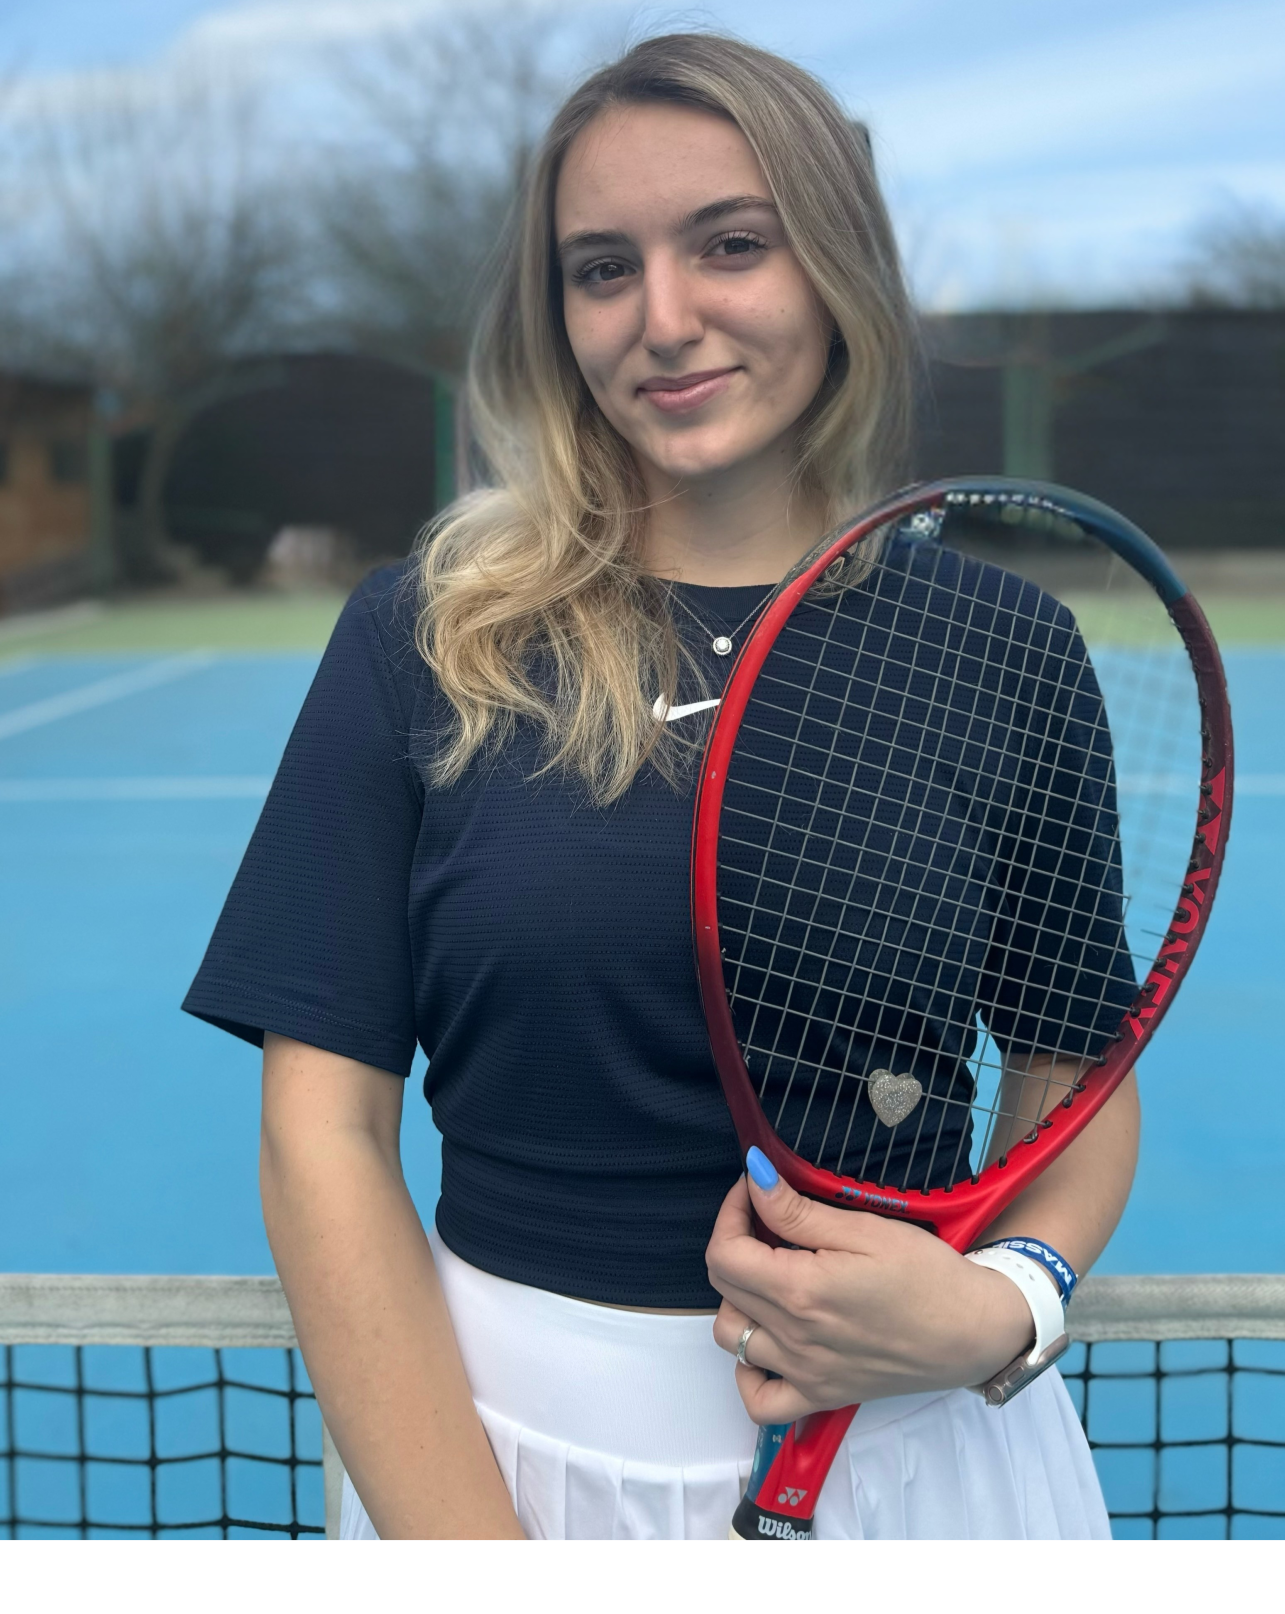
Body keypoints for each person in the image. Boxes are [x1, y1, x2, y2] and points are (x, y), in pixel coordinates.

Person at [183, 32, 1138, 1540]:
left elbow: (1068, 1070)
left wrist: (1001, 1307)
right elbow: (323, 1136)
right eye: (601, 268)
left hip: (931, 1472)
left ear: (838, 265)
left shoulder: (1004, 648)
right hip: (500, 1470)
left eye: (732, 246)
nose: (665, 319)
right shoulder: (424, 634)